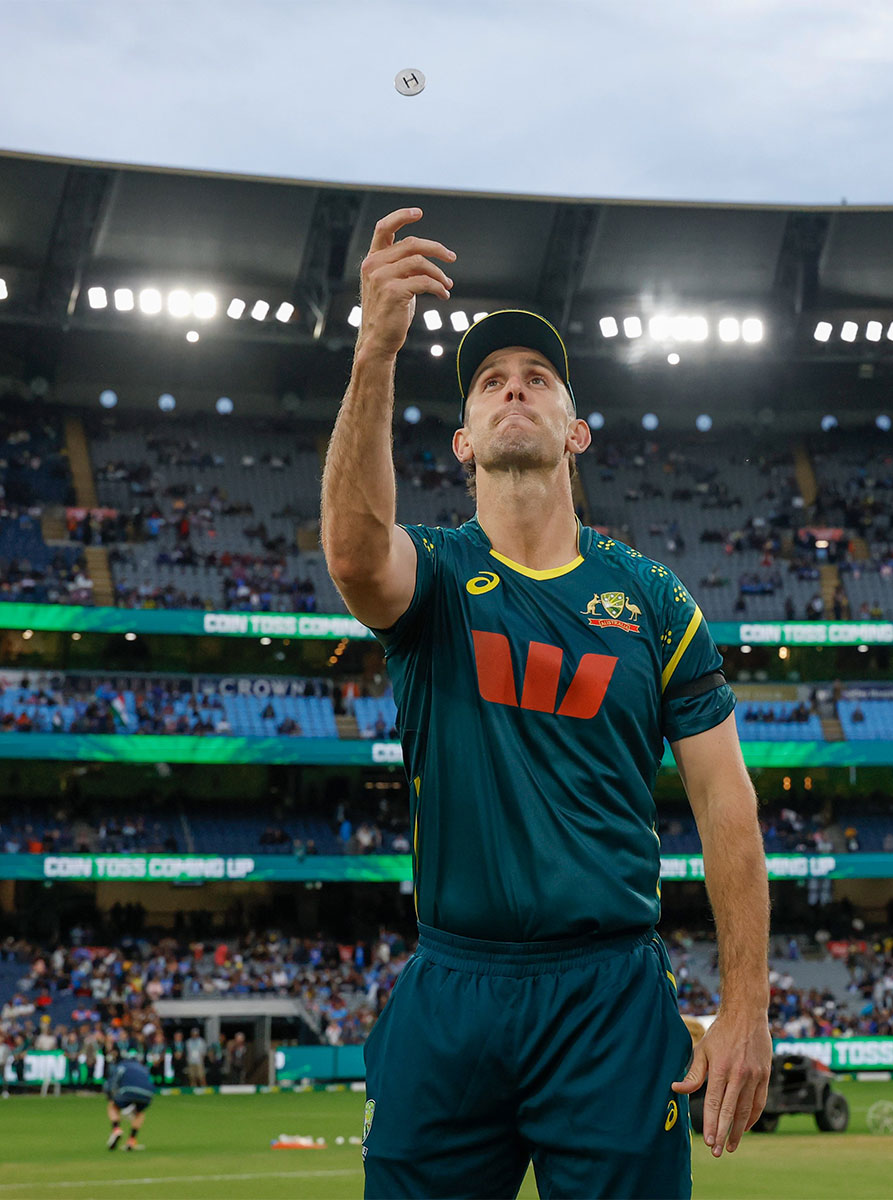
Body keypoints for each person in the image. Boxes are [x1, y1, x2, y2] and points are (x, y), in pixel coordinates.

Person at [321, 209, 771, 1199]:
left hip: (609, 992)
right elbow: (356, 557)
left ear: (575, 430)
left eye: (537, 378)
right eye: (489, 382)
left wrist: (747, 1007)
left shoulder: (653, 600)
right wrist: (374, 352)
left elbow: (725, 803)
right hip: (454, 982)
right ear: (463, 442)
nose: (512, 388)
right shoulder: (432, 577)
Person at [104, 1053, 155, 1151]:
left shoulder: (122, 1065)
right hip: (148, 1094)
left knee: (113, 1106)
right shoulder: (143, 1068)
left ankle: (116, 1129)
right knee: (140, 1113)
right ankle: (131, 1141)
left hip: (128, 1091)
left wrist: (110, 1096)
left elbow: (113, 1081)